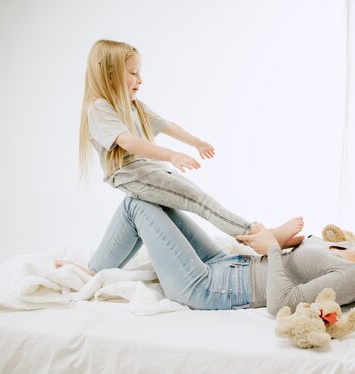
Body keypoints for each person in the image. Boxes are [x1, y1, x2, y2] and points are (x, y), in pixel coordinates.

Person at [58, 199, 355, 315]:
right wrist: (280, 243)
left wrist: (273, 249)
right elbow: (287, 262)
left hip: (211, 289)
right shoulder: (345, 246)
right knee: (157, 200)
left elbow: (283, 303)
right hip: (226, 264)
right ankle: (94, 268)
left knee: (136, 206)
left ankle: (90, 273)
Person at [79, 39, 302, 247]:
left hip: (149, 170)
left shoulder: (135, 106)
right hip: (131, 175)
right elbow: (127, 141)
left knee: (197, 199)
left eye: (139, 73)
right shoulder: (98, 108)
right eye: (133, 73)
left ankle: (96, 267)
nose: (140, 80)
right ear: (110, 76)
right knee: (200, 201)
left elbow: (167, 126)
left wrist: (197, 142)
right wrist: (171, 155)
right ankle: (256, 235)